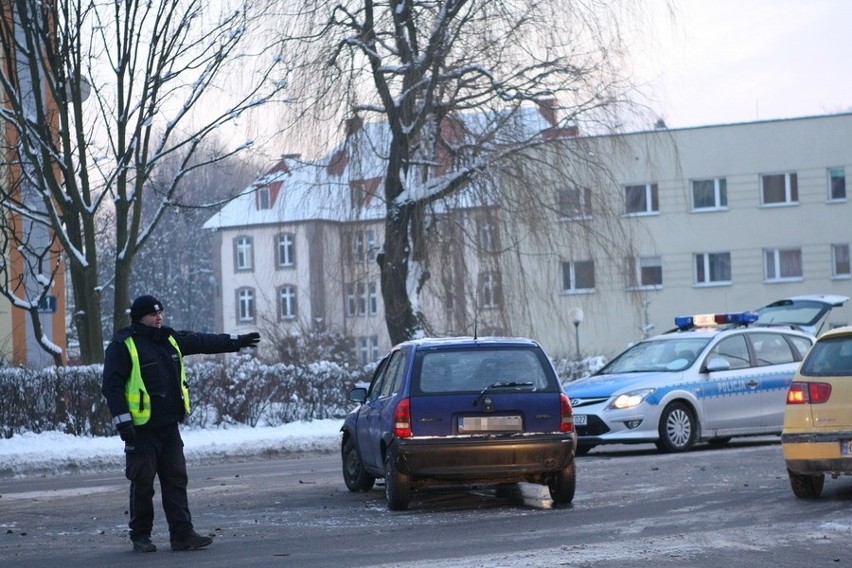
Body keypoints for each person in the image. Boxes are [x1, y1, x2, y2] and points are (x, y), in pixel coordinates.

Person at [101, 294, 261, 553]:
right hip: (140, 430)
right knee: (142, 484)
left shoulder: (169, 338)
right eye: (153, 314)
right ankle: (140, 536)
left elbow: (200, 341)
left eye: (160, 313)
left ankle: (182, 535)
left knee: (176, 481)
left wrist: (236, 342)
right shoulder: (124, 344)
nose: (159, 317)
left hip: (169, 426)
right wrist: (123, 421)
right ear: (140, 317)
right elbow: (111, 385)